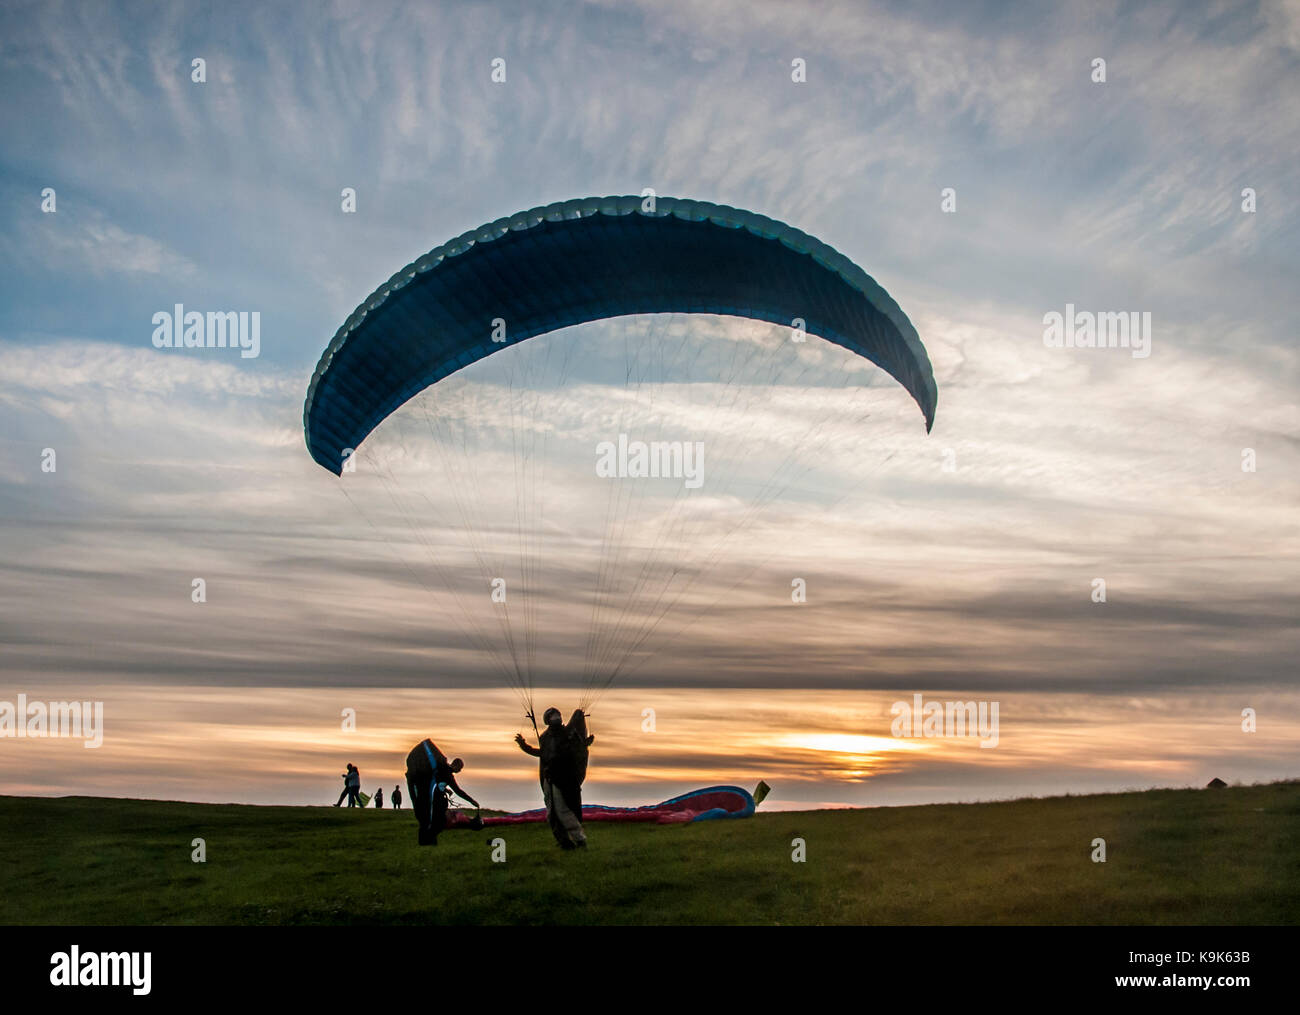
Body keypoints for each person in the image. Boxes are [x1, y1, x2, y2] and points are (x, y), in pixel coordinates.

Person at [515, 707, 594, 850]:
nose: (557, 717)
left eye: (558, 714)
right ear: (548, 720)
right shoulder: (545, 738)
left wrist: (585, 743)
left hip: (565, 779)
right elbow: (542, 753)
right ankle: (564, 842)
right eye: (553, 715)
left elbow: (575, 751)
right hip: (550, 778)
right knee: (552, 813)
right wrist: (524, 746)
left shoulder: (569, 733)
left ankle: (580, 840)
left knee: (564, 810)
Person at [405, 738, 481, 845]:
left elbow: (436, 780)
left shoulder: (443, 769)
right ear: (456, 766)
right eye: (460, 768)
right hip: (434, 802)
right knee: (435, 823)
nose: (459, 771)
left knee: (427, 822)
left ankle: (426, 844)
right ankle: (428, 843)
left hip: (430, 799)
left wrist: (445, 789)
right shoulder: (447, 773)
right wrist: (472, 801)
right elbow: (458, 791)